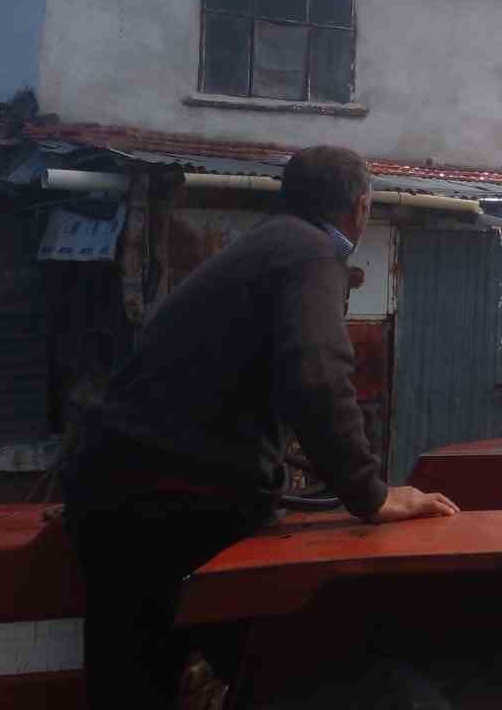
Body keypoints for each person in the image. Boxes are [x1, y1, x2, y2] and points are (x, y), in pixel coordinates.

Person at [61, 145, 459, 707]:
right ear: (361, 206)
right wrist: (371, 494)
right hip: (171, 501)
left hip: (117, 488)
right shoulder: (310, 253)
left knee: (134, 683)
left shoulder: (264, 245)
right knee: (283, 667)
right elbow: (317, 378)